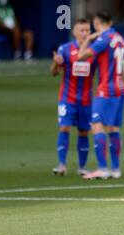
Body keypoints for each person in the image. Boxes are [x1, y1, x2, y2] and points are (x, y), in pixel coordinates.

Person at [77, 9, 124, 180]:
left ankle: (102, 168)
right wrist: (121, 75)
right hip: (120, 88)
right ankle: (116, 169)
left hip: (106, 89)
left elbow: (81, 56)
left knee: (96, 124)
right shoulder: (119, 38)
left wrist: (88, 39)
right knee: (113, 128)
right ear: (110, 22)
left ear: (96, 23)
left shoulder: (103, 39)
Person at [50, 18, 96, 177]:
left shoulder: (93, 51)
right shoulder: (65, 49)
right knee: (64, 127)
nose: (84, 33)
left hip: (86, 99)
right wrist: (56, 63)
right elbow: (54, 73)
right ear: (74, 32)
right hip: (67, 97)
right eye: (81, 30)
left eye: (87, 30)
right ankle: (62, 165)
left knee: (84, 131)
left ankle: (82, 167)